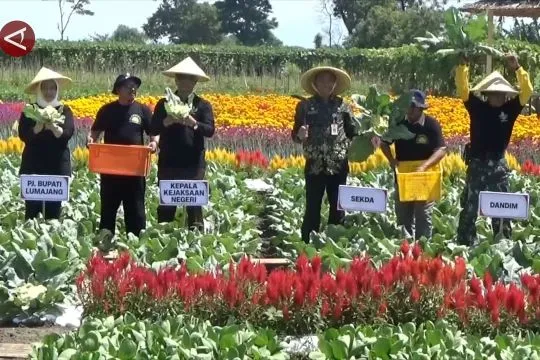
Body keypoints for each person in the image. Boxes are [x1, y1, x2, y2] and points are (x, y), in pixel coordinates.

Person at [455, 54, 533, 246]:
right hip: (477, 164)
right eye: (494, 93)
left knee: (502, 208)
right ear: (487, 94)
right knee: (470, 209)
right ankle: (465, 245)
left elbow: (527, 90)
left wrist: (517, 68)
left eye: (501, 93)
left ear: (506, 94)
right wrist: (463, 65)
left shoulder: (510, 109)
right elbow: (463, 89)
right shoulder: (477, 106)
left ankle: (502, 245)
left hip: (498, 165)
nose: (498, 96)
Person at [87, 73, 158, 244]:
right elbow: (94, 132)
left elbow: (153, 134)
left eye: (134, 86)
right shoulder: (107, 110)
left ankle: (136, 245)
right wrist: (90, 140)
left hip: (135, 169)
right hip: (110, 169)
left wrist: (154, 144)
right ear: (118, 90)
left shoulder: (143, 110)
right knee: (108, 209)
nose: (132, 89)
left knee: (136, 209)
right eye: (128, 86)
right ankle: (105, 243)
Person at [291, 66, 357, 243]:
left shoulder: (343, 106)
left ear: (335, 84)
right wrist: (300, 135)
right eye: (322, 81)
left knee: (338, 208)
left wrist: (370, 138)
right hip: (314, 165)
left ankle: (334, 244)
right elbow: (295, 135)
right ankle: (308, 245)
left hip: (338, 165)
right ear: (315, 84)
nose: (326, 84)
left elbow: (353, 132)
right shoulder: (304, 106)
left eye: (330, 81)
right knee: (312, 207)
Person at [150, 57, 215, 231]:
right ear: (176, 80)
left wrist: (194, 124)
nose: (186, 82)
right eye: (182, 78)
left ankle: (197, 241)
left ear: (195, 82)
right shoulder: (163, 104)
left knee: (194, 206)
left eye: (191, 79)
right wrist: (166, 121)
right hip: (169, 162)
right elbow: (152, 128)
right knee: (167, 205)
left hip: (194, 164)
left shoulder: (202, 105)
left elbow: (210, 130)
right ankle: (163, 239)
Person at [374, 90, 446, 240]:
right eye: (408, 106)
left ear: (421, 109)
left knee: (423, 215)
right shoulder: (399, 124)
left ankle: (423, 251)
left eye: (414, 107)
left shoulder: (432, 125)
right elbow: (384, 142)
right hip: (403, 176)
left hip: (424, 178)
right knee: (403, 216)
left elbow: (441, 150)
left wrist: (424, 166)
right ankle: (405, 252)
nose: (410, 110)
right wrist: (391, 160)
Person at [18, 67, 74, 220]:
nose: (49, 92)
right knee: (32, 212)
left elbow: (68, 133)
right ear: (39, 90)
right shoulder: (29, 111)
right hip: (33, 166)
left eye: (52, 88)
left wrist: (54, 128)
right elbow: (23, 135)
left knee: (53, 212)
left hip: (57, 167)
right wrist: (37, 128)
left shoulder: (64, 110)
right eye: (45, 88)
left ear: (57, 90)